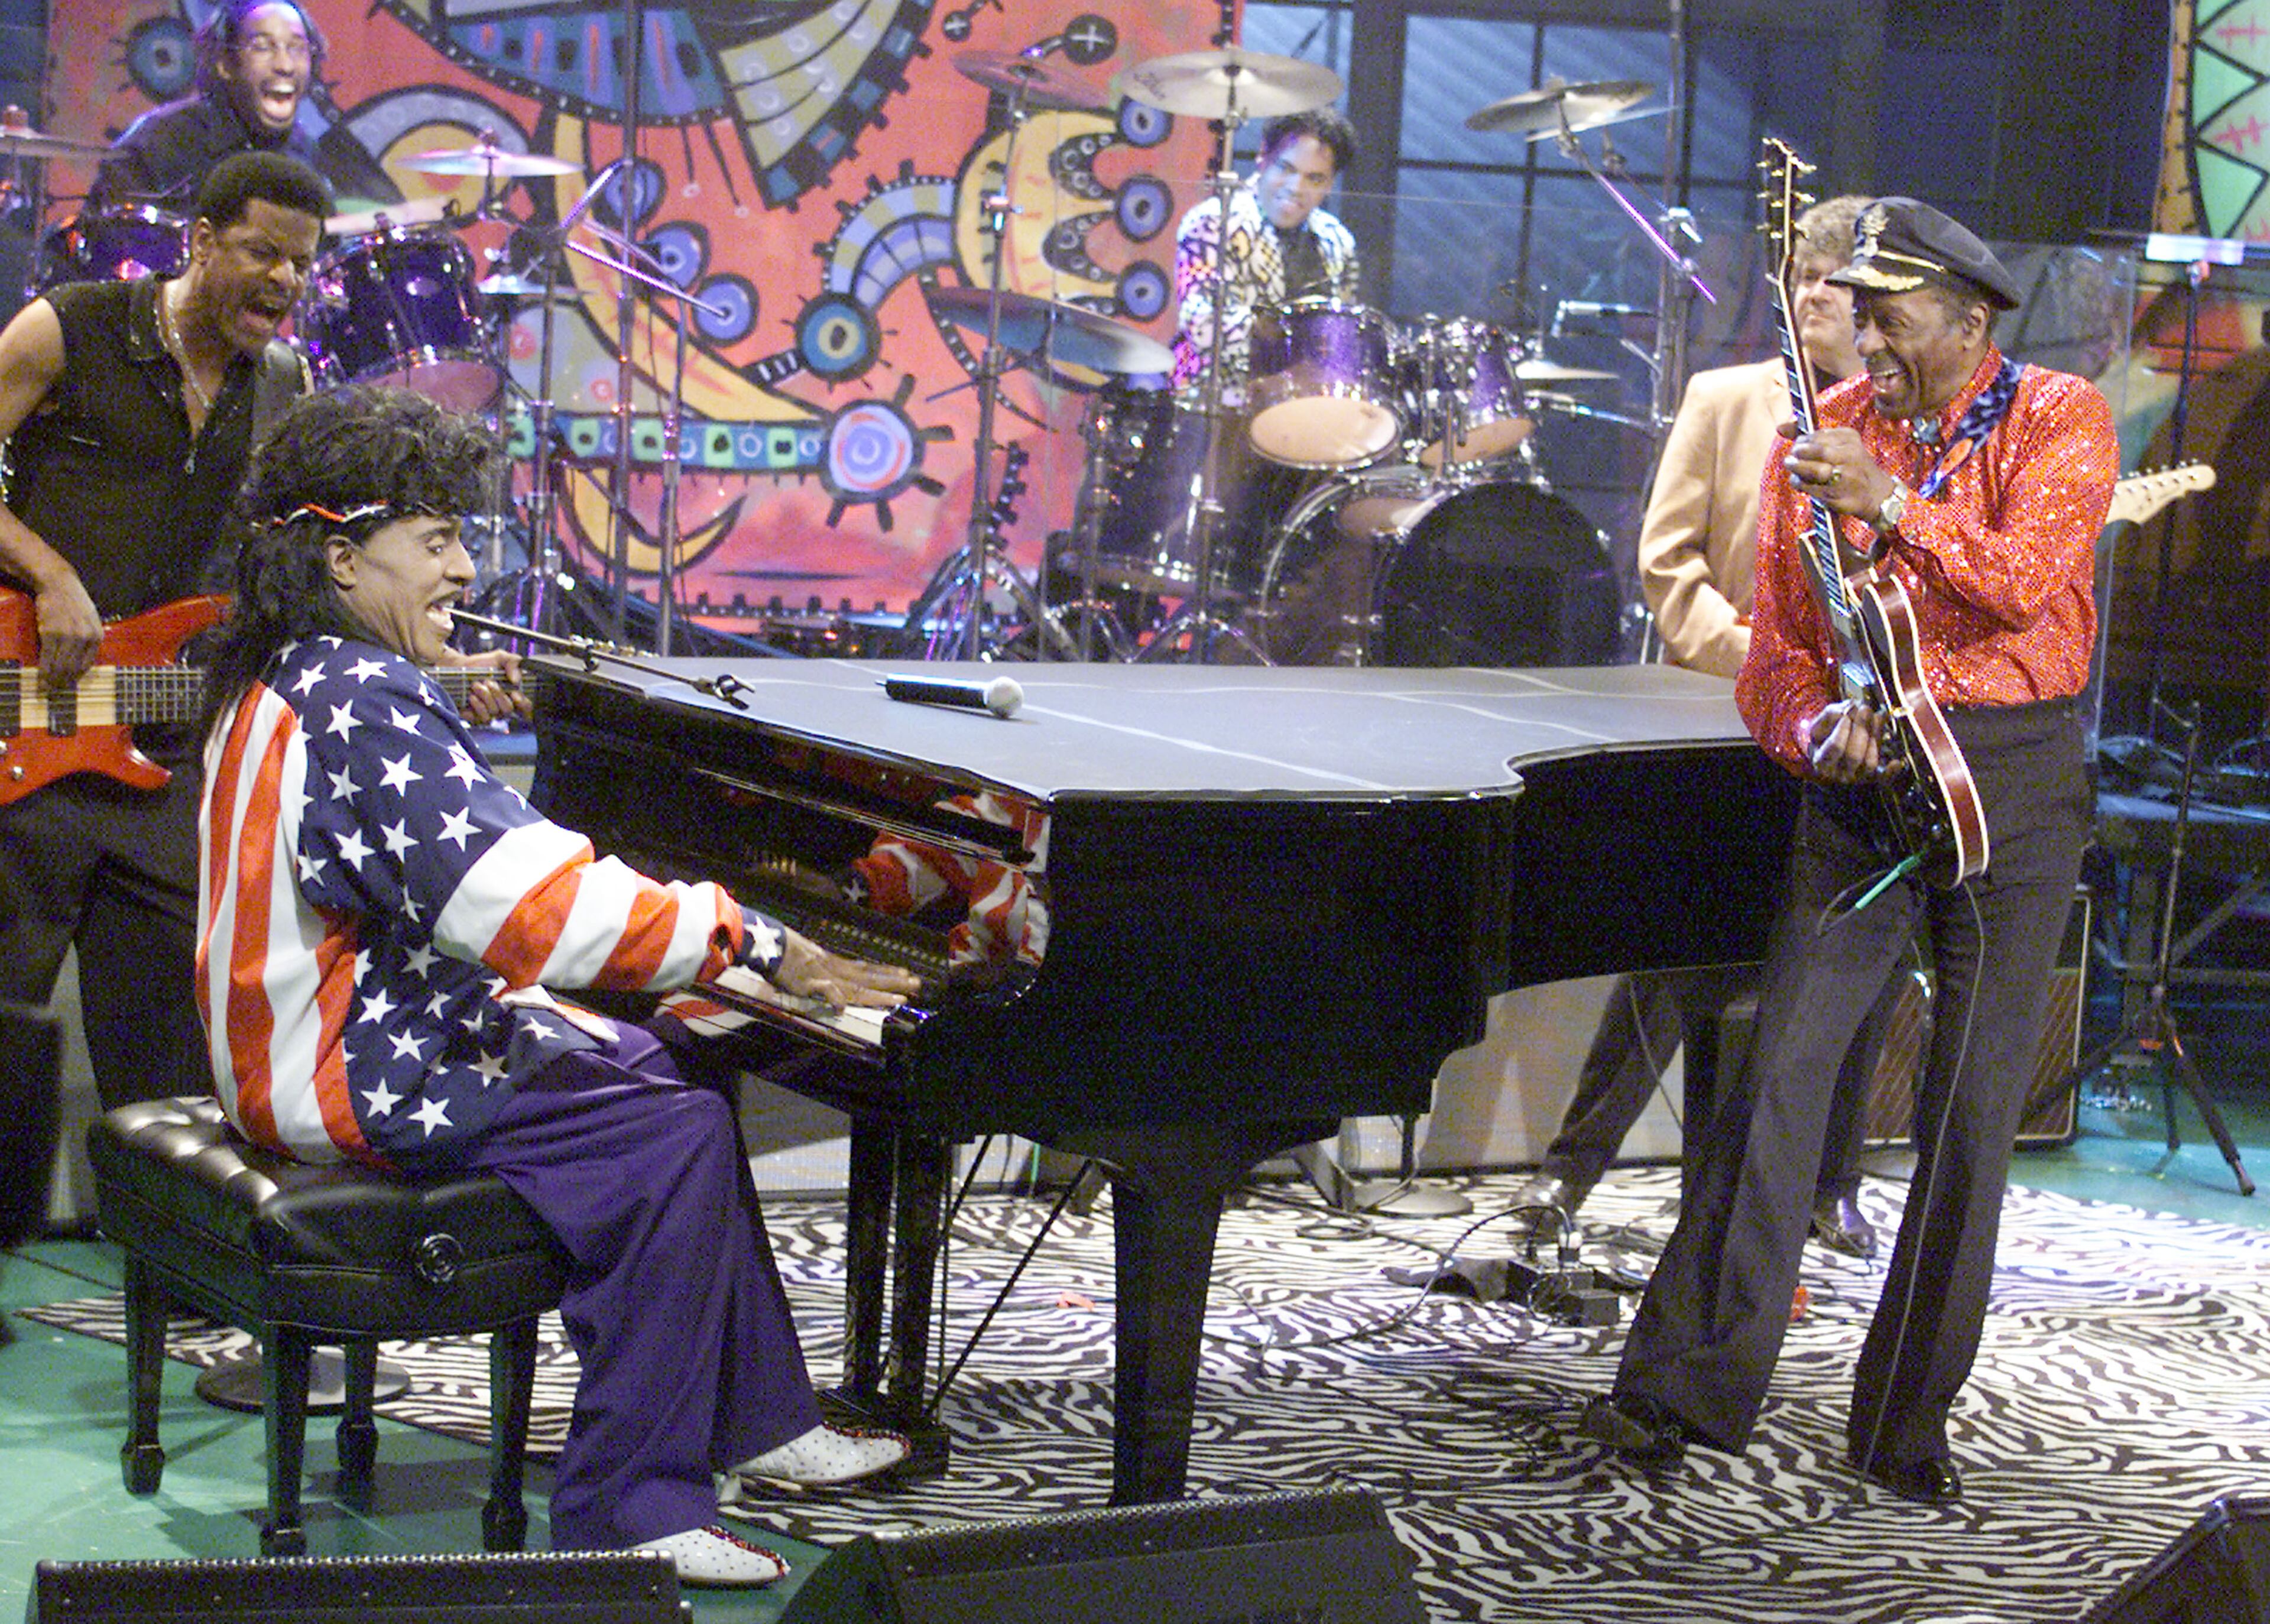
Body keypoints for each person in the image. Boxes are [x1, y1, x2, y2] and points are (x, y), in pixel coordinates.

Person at [197, 385, 922, 1586]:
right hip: (340, 1065)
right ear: (340, 558)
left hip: (302, 1033)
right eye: (433, 541)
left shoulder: (296, 668)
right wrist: (760, 942)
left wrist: (432, 694)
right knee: (675, 1130)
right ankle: (629, 1504)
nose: (464, 564)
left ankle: (764, 1420)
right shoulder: (365, 703)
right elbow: (534, 905)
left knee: (666, 1063)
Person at [1580, 199, 2117, 1506]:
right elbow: (1776, 643)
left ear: (1971, 318)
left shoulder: (2060, 415)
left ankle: (1902, 1422)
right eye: (1855, 308)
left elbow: (2024, 580)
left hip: (2015, 786)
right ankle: (1685, 1387)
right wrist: (1812, 726)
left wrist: (1896, 503)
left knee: (1967, 1117)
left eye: (1890, 312)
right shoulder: (1816, 443)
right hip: (1864, 790)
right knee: (1779, 1075)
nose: (1862, 333)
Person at [1513, 196, 1900, 1260]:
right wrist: (1760, 662)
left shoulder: (1892, 423)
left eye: (1846, 288)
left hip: (1854, 734)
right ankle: (1568, 1174)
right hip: (1725, 718)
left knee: (1856, 954)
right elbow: (1668, 563)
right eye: (1809, 280)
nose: (1824, 302)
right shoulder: (1727, 398)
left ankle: (1833, 1183)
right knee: (1674, 956)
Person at [0, 151, 332, 1116]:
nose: (284, 280)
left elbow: (276, 563)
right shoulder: (72, 325)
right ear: (199, 241)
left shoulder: (282, 382)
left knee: (168, 1081)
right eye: (263, 253)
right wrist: (51, 575)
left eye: (301, 263)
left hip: (163, 755)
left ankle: (161, 1261)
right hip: (32, 730)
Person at [86, 0, 397, 216]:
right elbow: (113, 247)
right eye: (262, 47)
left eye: (298, 48)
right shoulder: (163, 140)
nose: (285, 65)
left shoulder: (306, 156)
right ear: (225, 63)